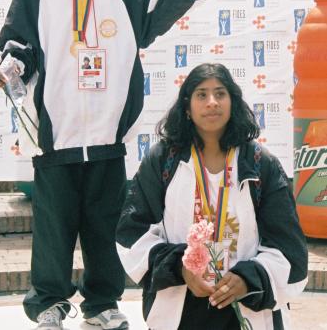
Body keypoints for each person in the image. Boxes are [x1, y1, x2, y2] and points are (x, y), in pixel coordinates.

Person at [0, 0, 220, 330]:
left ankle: (102, 304)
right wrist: (9, 70)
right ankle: (48, 303)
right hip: (56, 134)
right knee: (53, 227)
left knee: (104, 225)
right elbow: (17, 45)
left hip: (106, 133)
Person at [116, 63, 308, 330]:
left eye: (220, 93)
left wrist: (248, 279)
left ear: (233, 102)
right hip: (180, 307)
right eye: (201, 94)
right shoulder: (162, 162)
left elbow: (290, 253)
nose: (212, 102)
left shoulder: (260, 164)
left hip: (245, 308)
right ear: (187, 106)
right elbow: (131, 235)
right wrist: (180, 267)